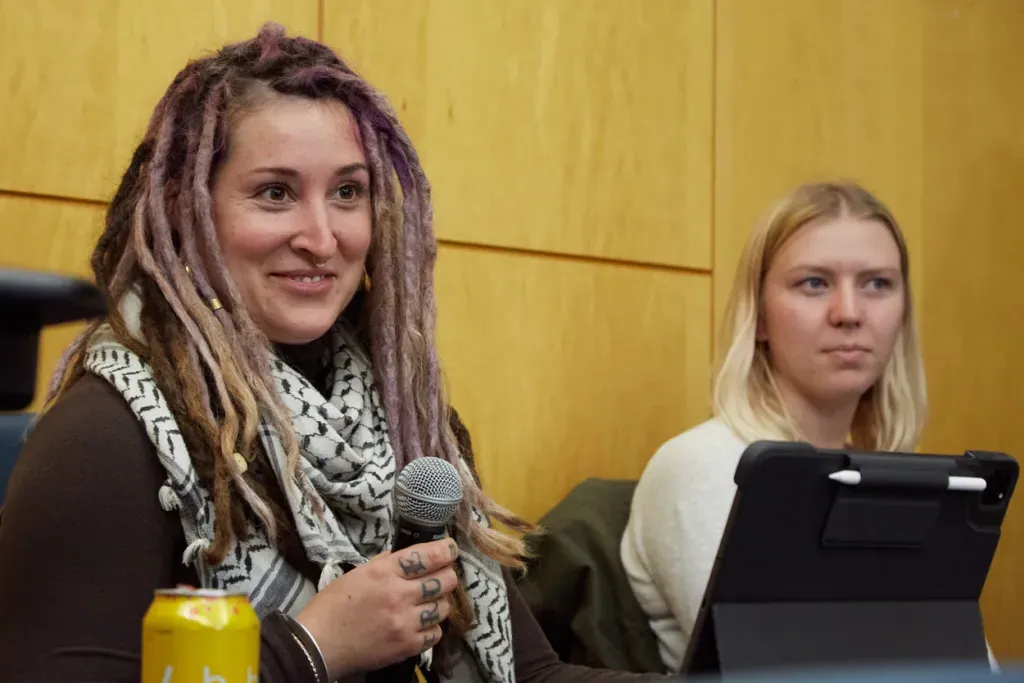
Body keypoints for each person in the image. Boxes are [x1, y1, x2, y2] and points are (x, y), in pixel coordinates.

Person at [0, 24, 670, 683]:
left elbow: (533, 674)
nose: (322, 238)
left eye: (347, 192)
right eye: (275, 193)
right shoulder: (105, 433)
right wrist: (313, 648)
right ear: (185, 208)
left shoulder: (404, 423)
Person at [620, 182, 928, 672]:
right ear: (759, 315)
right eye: (814, 283)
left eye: (877, 284)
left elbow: (969, 660)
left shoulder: (903, 482)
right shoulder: (706, 464)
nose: (849, 313)